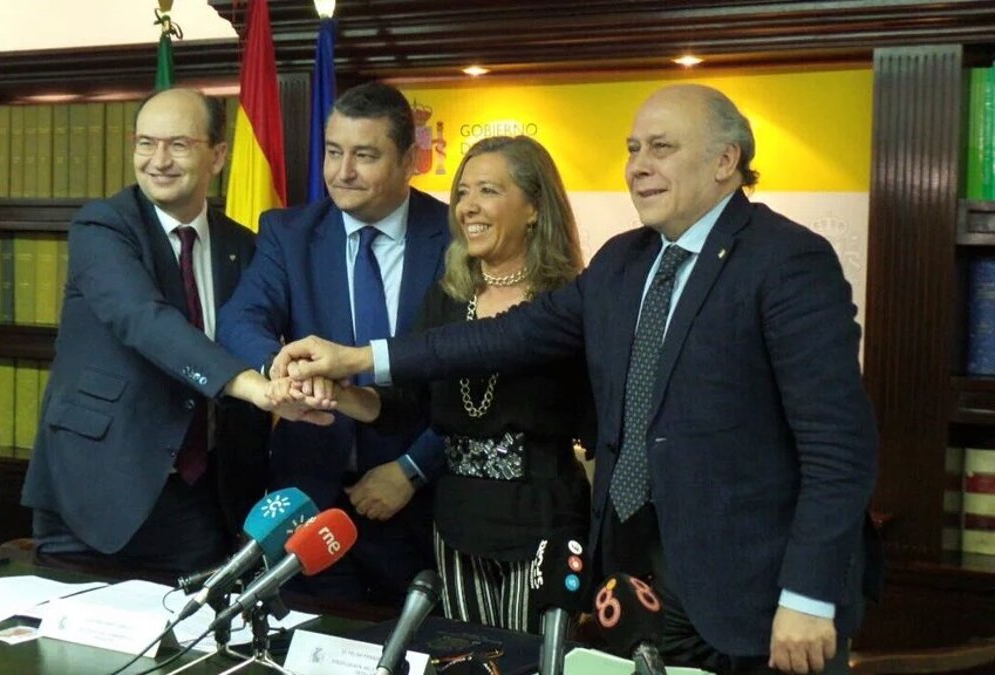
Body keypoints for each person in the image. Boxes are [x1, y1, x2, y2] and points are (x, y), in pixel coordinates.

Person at [273, 84, 880, 673]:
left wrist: (809, 593)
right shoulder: (623, 261)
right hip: (635, 584)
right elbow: (501, 337)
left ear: (726, 161)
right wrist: (357, 359)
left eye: (661, 148)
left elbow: (838, 447)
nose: (638, 166)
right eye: (633, 149)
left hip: (756, 595)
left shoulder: (786, 260)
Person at [276, 135, 592, 632]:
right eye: (462, 192)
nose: (468, 207)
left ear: (534, 207)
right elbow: (407, 405)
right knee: (465, 656)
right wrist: (341, 395)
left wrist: (355, 357)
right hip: (457, 524)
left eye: (488, 190)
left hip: (542, 524)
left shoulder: (566, 302)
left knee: (533, 660)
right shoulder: (448, 296)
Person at [21, 88, 329, 578]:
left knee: (189, 625)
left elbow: (259, 333)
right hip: (94, 492)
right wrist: (252, 386)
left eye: (179, 145)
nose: (158, 161)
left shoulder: (243, 246)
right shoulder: (102, 227)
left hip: (199, 499)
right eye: (146, 143)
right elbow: (143, 319)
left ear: (218, 156)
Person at [216, 81, 450, 604]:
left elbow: (475, 381)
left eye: (364, 156)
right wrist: (284, 368)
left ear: (409, 161)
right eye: (333, 152)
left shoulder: (454, 237)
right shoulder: (289, 233)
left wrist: (413, 470)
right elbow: (239, 319)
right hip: (310, 503)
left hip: (420, 502)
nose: (342, 172)